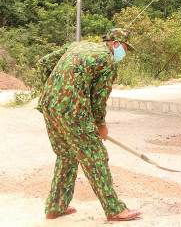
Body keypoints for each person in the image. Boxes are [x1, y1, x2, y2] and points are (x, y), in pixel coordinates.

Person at [36, 28, 141, 222]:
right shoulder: (108, 61)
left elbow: (43, 63)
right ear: (115, 44)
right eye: (125, 48)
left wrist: (53, 92)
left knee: (66, 155)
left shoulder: (78, 45)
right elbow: (99, 98)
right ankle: (114, 209)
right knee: (95, 157)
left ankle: (55, 207)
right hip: (74, 111)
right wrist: (100, 124)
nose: (125, 53)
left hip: (49, 105)